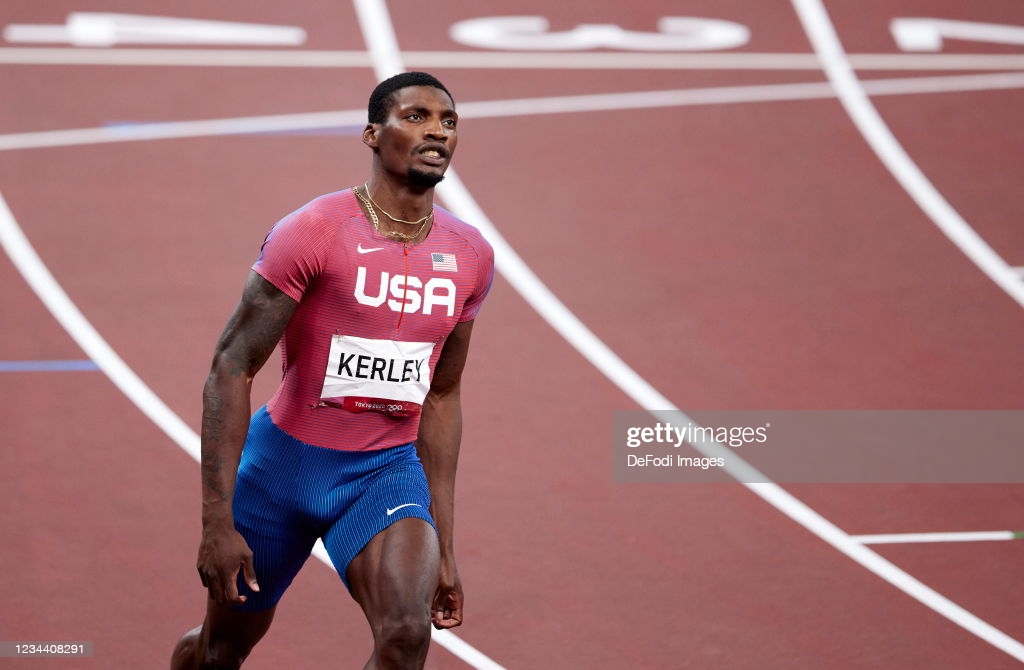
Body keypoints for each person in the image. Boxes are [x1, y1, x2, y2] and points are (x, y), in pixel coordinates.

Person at [171, 71, 494, 669]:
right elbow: (231, 366)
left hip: (384, 474)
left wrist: (444, 549)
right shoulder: (315, 231)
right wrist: (216, 522)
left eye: (448, 122)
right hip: (282, 471)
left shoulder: (471, 254)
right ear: (373, 134)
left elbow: (443, 395)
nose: (437, 132)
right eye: (416, 117)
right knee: (218, 652)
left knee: (405, 634)